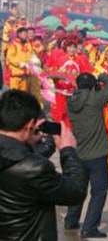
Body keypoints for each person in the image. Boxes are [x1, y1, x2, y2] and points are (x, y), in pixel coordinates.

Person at [0, 90, 88, 241]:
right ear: (29, 125)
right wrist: (68, 151)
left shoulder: (22, 160)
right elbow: (76, 192)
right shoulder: (35, 168)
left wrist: (27, 142)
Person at [64, 72, 108, 239]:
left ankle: (71, 220)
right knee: (98, 192)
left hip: (78, 152)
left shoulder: (71, 101)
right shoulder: (95, 100)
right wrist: (102, 76)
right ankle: (89, 228)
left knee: (78, 190)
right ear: (91, 85)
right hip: (96, 155)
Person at [6, 27, 33, 91]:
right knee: (14, 96)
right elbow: (9, 57)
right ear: (19, 34)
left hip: (25, 75)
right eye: (24, 34)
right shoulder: (14, 44)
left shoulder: (28, 44)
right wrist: (19, 63)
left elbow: (31, 56)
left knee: (23, 96)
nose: (26, 35)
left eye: (26, 34)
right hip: (15, 75)